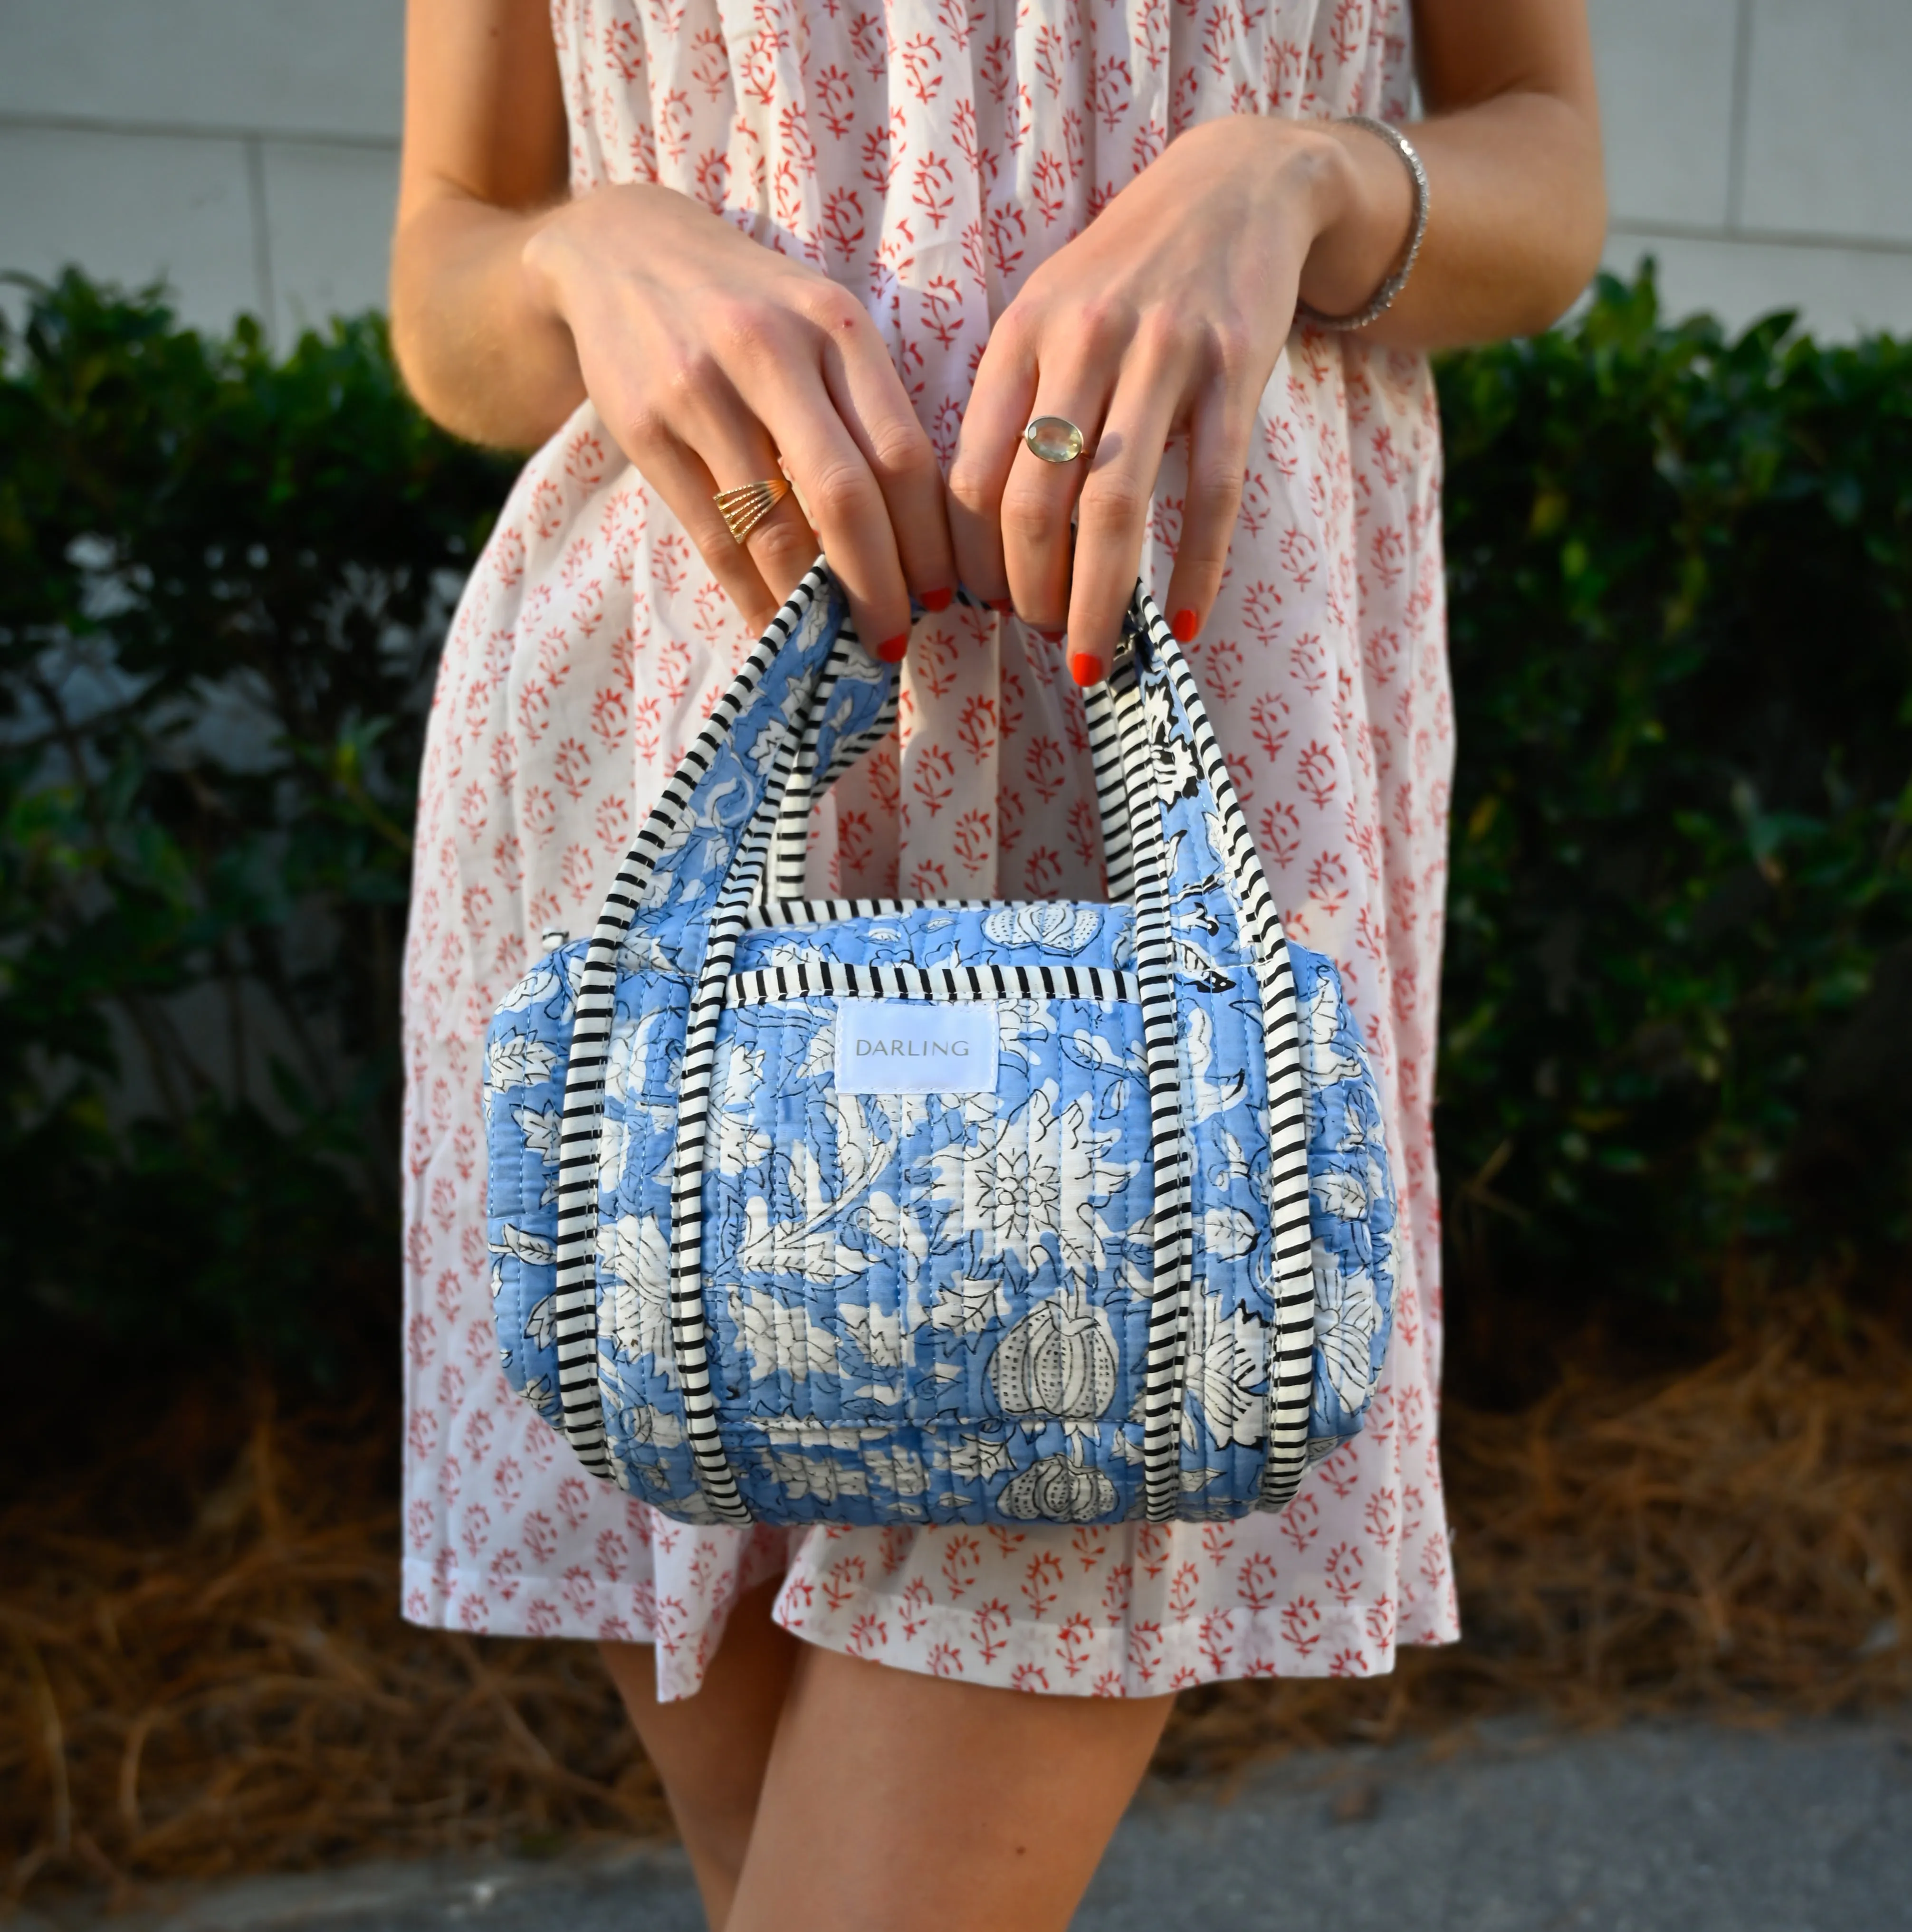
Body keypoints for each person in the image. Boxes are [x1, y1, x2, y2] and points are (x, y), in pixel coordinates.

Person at [389, 2, 1604, 1925]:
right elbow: (446, 276)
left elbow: (1545, 174)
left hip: (1166, 811)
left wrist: (1296, 176)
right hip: (659, 761)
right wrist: (580, 252)